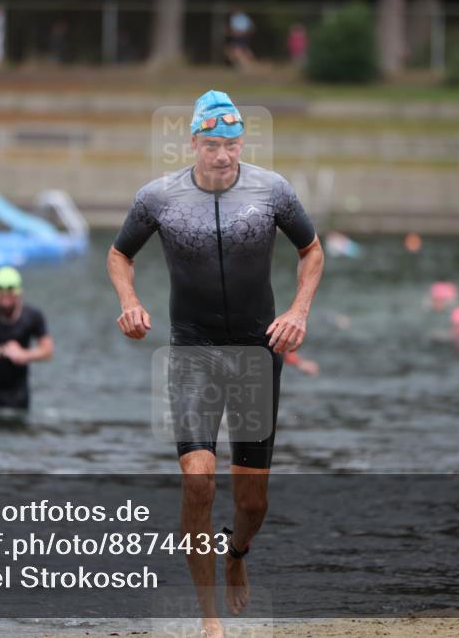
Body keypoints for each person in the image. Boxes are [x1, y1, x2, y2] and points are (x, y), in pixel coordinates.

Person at [107, 90, 323, 638]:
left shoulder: (273, 191)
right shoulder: (159, 198)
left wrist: (298, 311)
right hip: (193, 350)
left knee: (252, 501)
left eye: (230, 144)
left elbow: (312, 250)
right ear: (193, 143)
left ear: (241, 143)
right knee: (198, 479)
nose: (222, 155)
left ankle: (237, 553)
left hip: (257, 352)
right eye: (211, 145)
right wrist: (129, 302)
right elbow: (119, 254)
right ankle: (208, 616)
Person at [0, 267, 53, 413]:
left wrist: (24, 355)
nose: (5, 295)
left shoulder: (33, 316)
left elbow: (47, 350)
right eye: (1, 290)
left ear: (19, 291)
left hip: (18, 394)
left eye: (10, 290)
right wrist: (3, 351)